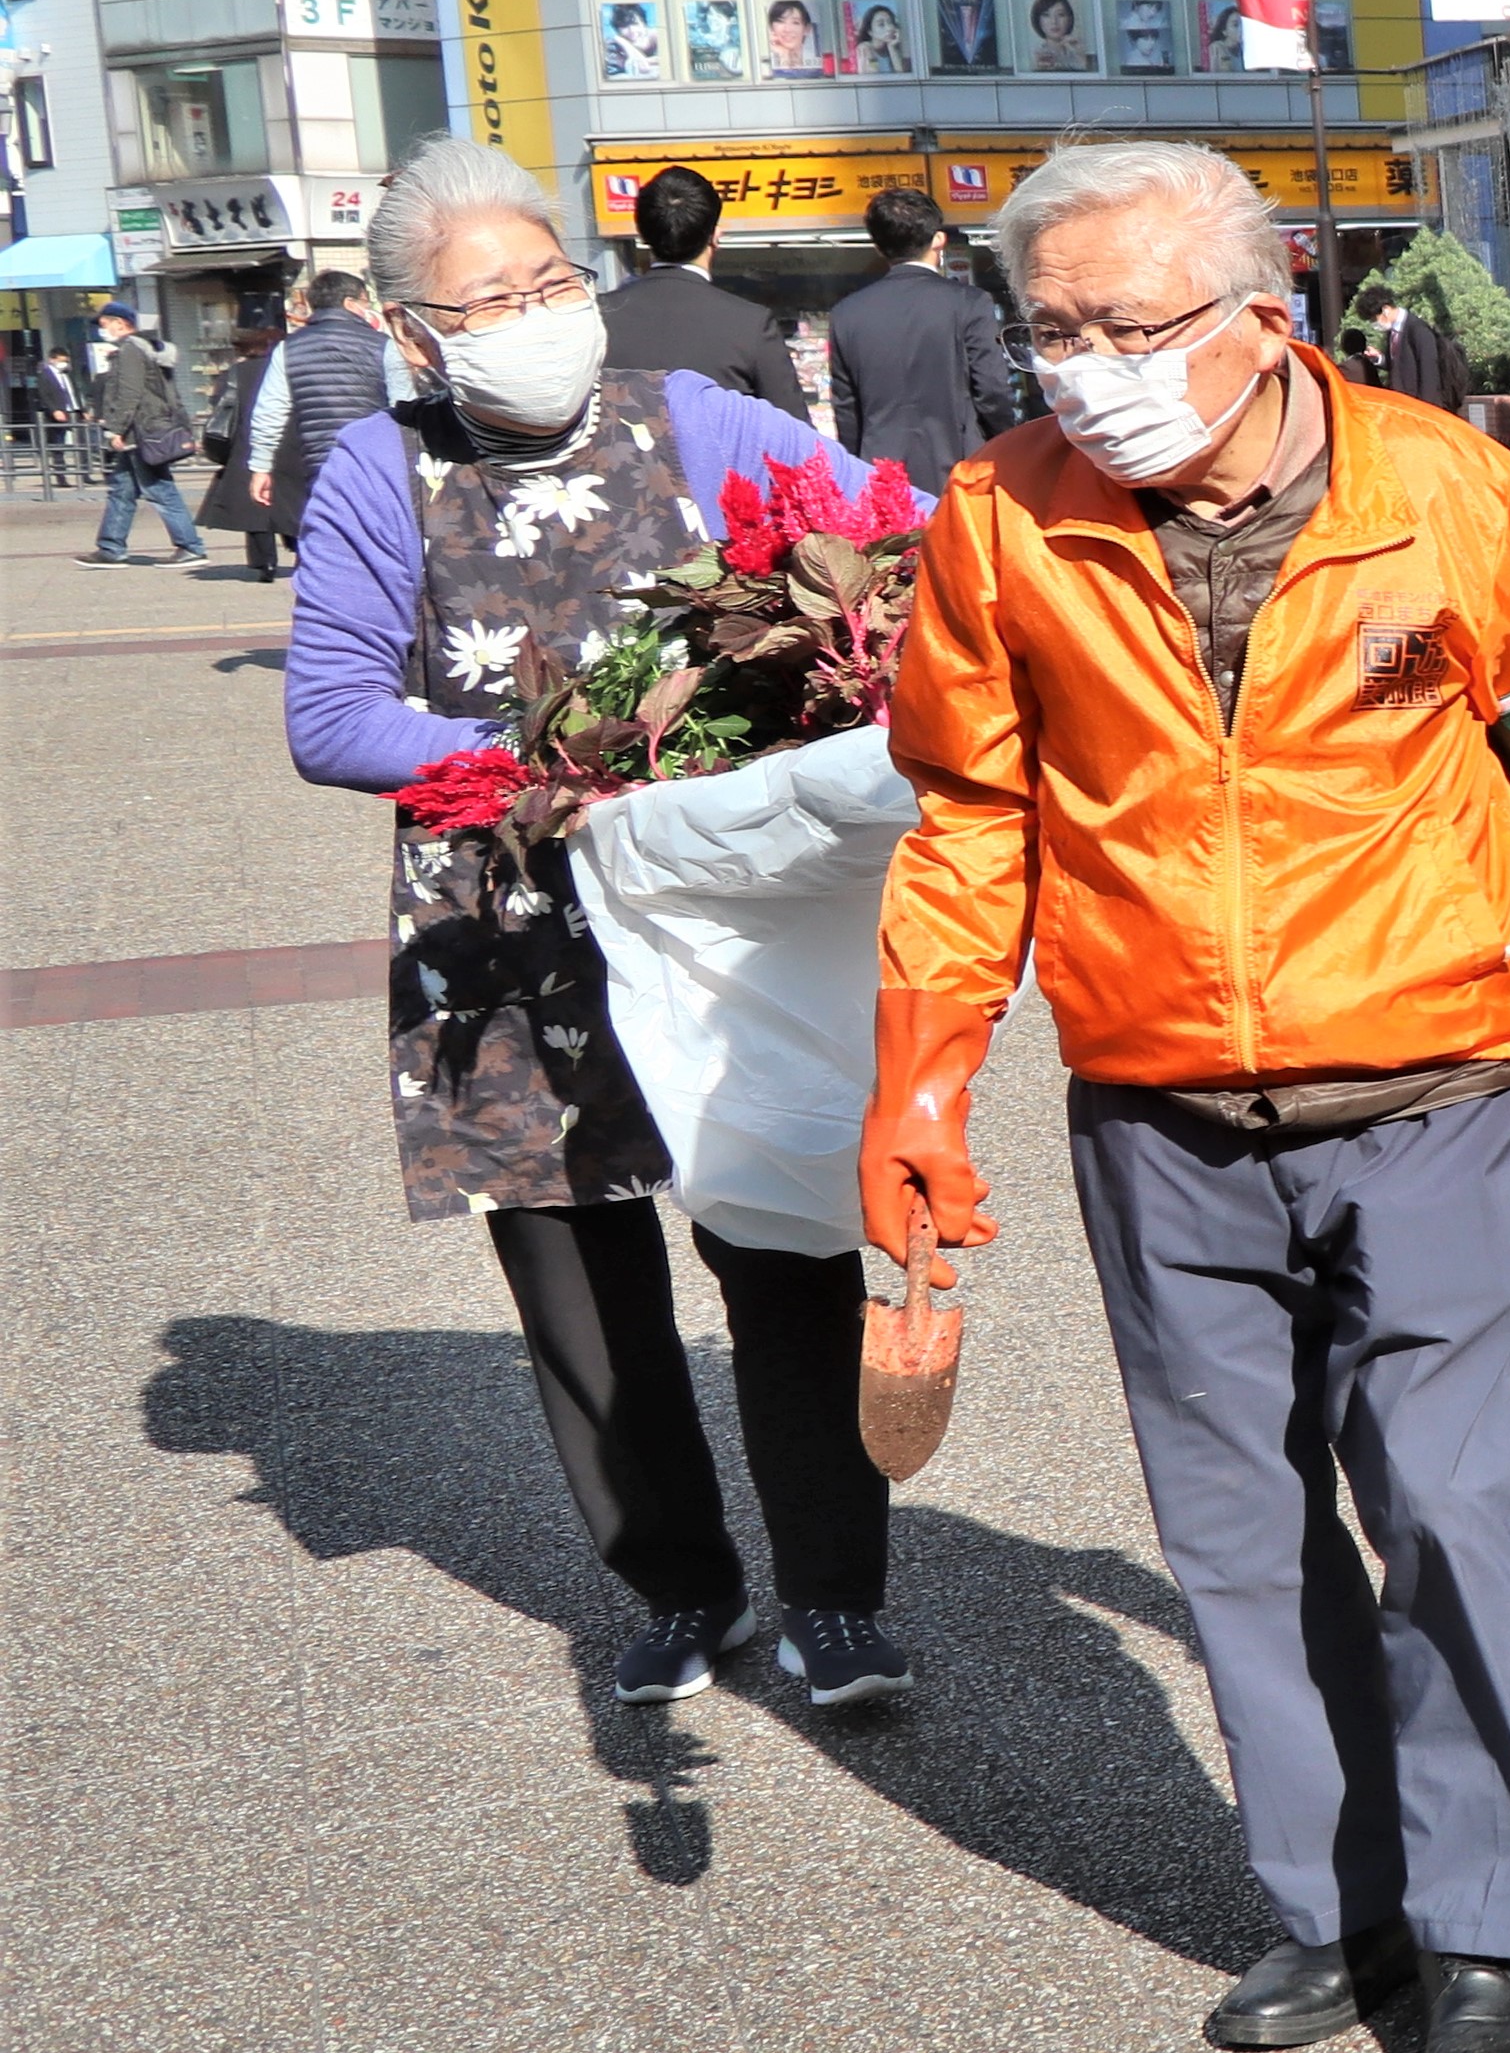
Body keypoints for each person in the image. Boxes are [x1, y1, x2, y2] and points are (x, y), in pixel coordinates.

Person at [860, 142, 1510, 2053]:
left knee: (1448, 1508)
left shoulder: (1445, 485)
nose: (1083, 368)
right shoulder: (1002, 520)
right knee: (1240, 1538)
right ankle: (1343, 1905)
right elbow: (971, 820)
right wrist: (918, 1080)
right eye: (1051, 330)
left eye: (1128, 325)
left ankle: (1484, 1928)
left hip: (1429, 1081)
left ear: (1266, 319)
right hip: (1157, 1106)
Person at [280, 135, 925, 1715]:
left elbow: (899, 536)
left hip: (718, 908)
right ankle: (682, 1587)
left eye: (550, 280)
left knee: (781, 1236)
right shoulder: (377, 469)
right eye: (488, 301)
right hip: (508, 912)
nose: (534, 316)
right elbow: (331, 712)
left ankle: (834, 1599)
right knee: (575, 1263)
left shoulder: (691, 416)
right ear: (414, 333)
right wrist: (547, 760)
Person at [827, 185, 1018, 496]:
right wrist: (1008, 445)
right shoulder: (969, 302)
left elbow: (847, 411)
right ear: (938, 239)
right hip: (961, 469)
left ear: (878, 247)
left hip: (881, 477)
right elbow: (992, 390)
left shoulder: (846, 314)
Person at [600, 165, 811, 419]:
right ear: (715, 236)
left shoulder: (599, 316)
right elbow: (795, 431)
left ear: (642, 233)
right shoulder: (749, 324)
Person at [246, 271, 399, 585]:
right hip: (378, 462)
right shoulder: (384, 346)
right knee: (379, 535)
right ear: (350, 303)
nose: (368, 309)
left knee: (328, 533)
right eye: (366, 302)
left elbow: (269, 412)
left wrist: (261, 466)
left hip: (320, 462)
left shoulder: (288, 349)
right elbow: (403, 408)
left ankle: (330, 591)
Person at [81, 303, 206, 567]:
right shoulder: (145, 348)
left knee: (159, 489)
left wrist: (116, 429)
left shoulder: (131, 349)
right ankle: (111, 547)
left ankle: (190, 546)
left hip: (141, 431)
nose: (103, 330)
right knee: (122, 489)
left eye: (105, 324)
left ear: (120, 323)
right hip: (147, 428)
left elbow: (130, 393)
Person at [199, 302, 289, 582]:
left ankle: (265, 562)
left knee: (257, 507)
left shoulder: (235, 373)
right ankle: (299, 548)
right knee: (291, 499)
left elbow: (219, 404)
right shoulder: (284, 369)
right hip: (286, 440)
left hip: (246, 443)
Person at [1355, 277, 1468, 413]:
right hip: (1404, 405)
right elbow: (1401, 365)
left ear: (1385, 309)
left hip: (1420, 408)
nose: (1374, 324)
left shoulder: (1418, 330)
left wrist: (1425, 410)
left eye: (1374, 319)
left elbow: (1429, 374)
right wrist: (1380, 359)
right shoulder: (1393, 332)